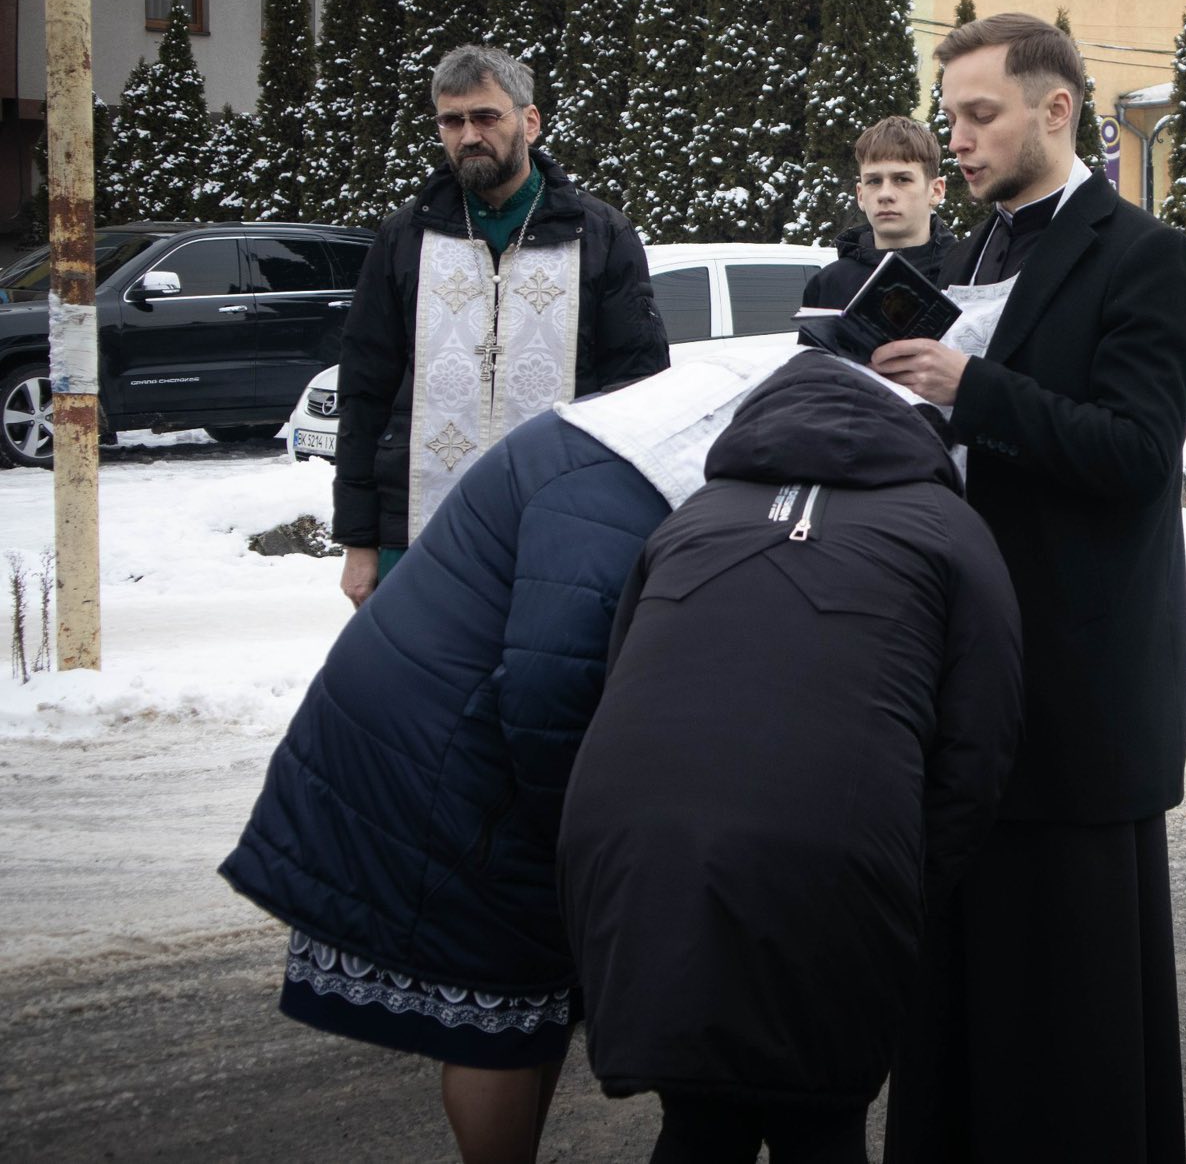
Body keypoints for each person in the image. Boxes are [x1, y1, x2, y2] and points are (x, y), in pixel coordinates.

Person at [220, 347, 791, 1164]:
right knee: (497, 1007)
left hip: (449, 722)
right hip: (449, 751)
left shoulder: (609, 448)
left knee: (529, 991)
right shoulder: (609, 498)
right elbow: (550, 692)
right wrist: (581, 842)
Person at [869, 12, 1186, 1163]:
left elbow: (1134, 452)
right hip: (956, 678)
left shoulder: (1143, 255)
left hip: (1073, 696)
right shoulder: (967, 255)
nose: (955, 139)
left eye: (978, 115)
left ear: (1054, 109)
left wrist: (968, 390)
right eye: (950, 116)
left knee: (1069, 1032)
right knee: (957, 1013)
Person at [557, 351, 1024, 1164]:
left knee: (699, 1120)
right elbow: (980, 745)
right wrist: (909, 881)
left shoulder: (690, 516)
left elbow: (622, 678)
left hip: (638, 848)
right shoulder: (950, 528)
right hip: (834, 852)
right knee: (819, 1121)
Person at [332, 43, 669, 608]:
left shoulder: (600, 234)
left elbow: (638, 391)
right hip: (417, 528)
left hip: (565, 526)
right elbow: (365, 391)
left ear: (529, 122)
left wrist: (629, 527)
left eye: (486, 116)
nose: (468, 136)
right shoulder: (404, 237)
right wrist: (359, 541)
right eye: (452, 121)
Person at [801, 115, 957, 310]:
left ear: (936, 191)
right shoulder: (828, 286)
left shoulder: (968, 275)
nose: (885, 194)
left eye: (902, 179)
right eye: (874, 181)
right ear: (860, 195)